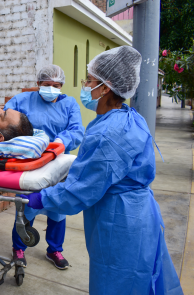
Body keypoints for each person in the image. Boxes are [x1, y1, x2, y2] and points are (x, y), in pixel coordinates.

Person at [21, 46, 183, 294]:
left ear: (105, 87)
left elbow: (83, 188)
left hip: (120, 221)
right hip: (137, 213)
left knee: (118, 282)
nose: (85, 86)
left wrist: (40, 198)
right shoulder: (126, 117)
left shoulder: (110, 133)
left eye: (89, 81)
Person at [5, 65, 85, 270]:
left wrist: (60, 141)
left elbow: (77, 130)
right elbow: (7, 121)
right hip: (30, 161)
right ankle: (19, 247)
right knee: (26, 205)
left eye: (56, 85)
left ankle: (55, 249)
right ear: (38, 84)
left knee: (58, 206)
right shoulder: (22, 101)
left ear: (62, 86)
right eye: (46, 84)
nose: (51, 88)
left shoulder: (69, 104)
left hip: (57, 162)